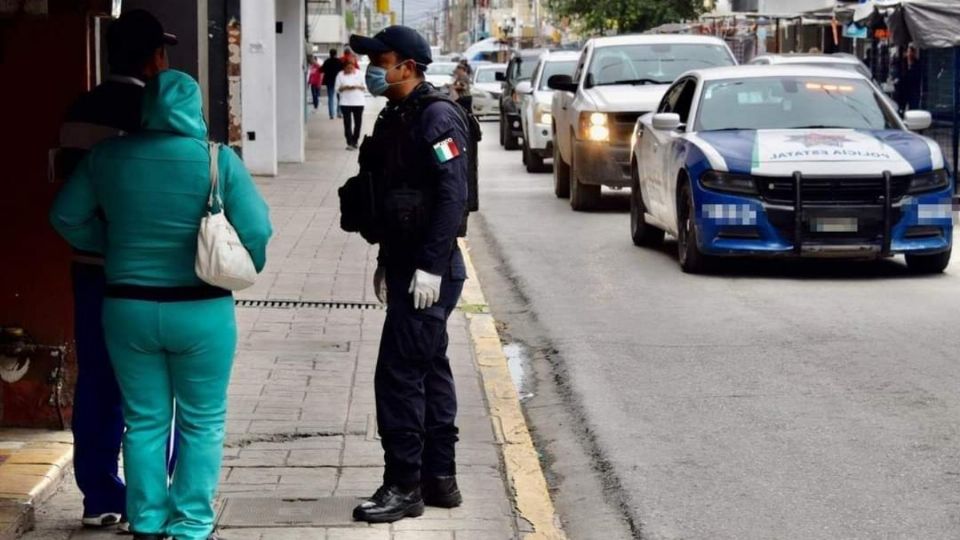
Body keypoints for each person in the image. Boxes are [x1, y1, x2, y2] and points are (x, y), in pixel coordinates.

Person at [50, 70, 272, 540]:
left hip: (126, 308)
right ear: (194, 108)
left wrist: (111, 246)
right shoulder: (217, 160)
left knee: (144, 419)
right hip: (202, 311)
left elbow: (65, 216)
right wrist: (240, 262)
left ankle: (147, 521)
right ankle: (191, 523)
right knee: (202, 419)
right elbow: (258, 231)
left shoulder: (106, 157)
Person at [54, 9, 178, 531]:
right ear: (155, 59)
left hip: (87, 270)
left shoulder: (78, 109)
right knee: (150, 389)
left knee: (97, 382)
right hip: (142, 276)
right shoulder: (151, 112)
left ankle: (99, 495)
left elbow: (63, 197)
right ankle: (148, 500)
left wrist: (95, 242)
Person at [347, 25, 472, 524]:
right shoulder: (398, 115)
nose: (375, 66)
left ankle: (403, 486)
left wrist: (430, 268)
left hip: (429, 269)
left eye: (383, 57)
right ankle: (439, 479)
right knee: (430, 368)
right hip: (406, 264)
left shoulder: (438, 118)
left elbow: (452, 196)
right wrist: (386, 261)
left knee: (398, 375)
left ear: (410, 66)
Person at [335, 61, 366, 150]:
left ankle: (355, 141)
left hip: (359, 102)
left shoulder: (360, 74)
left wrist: (357, 86)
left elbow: (365, 87)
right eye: (347, 68)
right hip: (345, 103)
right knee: (347, 123)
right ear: (344, 68)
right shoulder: (340, 75)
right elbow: (336, 89)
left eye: (351, 68)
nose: (349, 70)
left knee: (358, 123)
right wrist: (345, 87)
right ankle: (349, 142)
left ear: (354, 67)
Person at [895, 44, 922, 114]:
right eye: (908, 52)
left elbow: (917, 76)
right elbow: (898, 74)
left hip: (913, 90)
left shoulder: (917, 63)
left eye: (911, 52)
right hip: (903, 89)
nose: (909, 54)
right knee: (901, 108)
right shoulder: (901, 62)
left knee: (913, 108)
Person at [321, 48, 345, 119]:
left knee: (330, 97)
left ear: (330, 54)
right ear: (336, 54)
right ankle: (339, 113)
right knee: (340, 98)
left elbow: (322, 69)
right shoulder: (339, 61)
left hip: (329, 81)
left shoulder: (327, 61)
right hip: (338, 81)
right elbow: (342, 71)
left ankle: (331, 114)